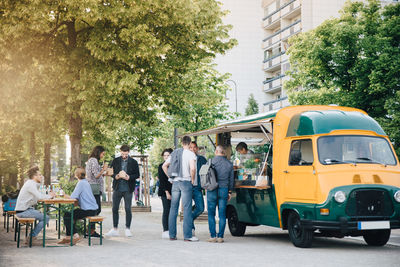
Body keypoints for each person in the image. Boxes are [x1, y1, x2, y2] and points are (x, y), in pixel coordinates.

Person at [162, 136, 198, 242]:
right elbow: (192, 168)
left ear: (182, 143)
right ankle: (187, 236)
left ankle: (172, 235)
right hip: (186, 181)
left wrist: (170, 178)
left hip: (175, 182)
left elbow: (164, 166)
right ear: (190, 143)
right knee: (186, 209)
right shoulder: (191, 154)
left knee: (173, 208)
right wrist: (192, 179)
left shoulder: (175, 153)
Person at [15, 166, 55, 245]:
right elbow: (39, 196)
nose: (41, 176)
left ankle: (31, 237)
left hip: (26, 209)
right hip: (23, 211)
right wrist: (50, 196)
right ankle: (31, 237)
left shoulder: (31, 183)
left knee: (43, 215)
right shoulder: (31, 184)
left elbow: (38, 196)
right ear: (34, 176)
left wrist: (48, 195)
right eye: (39, 175)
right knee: (45, 217)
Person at [106, 145, 139, 237]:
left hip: (128, 189)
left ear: (128, 152)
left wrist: (129, 177)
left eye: (125, 153)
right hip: (117, 188)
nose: (124, 155)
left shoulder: (133, 162)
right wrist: (116, 176)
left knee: (128, 209)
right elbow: (110, 172)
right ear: (120, 152)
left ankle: (128, 229)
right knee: (114, 208)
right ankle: (115, 228)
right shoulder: (115, 161)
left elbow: (137, 174)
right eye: (122, 153)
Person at [58, 167, 98, 244]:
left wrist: (63, 194)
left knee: (67, 215)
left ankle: (74, 235)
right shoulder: (85, 182)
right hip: (93, 209)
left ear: (76, 175)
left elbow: (73, 198)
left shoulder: (81, 183)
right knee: (70, 214)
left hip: (88, 210)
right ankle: (69, 237)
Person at [207, 145, 234, 243]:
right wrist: (230, 192)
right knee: (222, 214)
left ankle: (213, 236)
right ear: (224, 152)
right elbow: (231, 180)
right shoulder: (229, 164)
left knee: (211, 214)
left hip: (212, 189)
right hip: (224, 189)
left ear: (216, 152)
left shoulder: (210, 162)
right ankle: (220, 237)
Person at [86, 145, 107, 237]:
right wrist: (104, 169)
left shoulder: (91, 160)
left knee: (95, 209)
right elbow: (96, 175)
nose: (103, 155)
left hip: (94, 187)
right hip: (94, 188)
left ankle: (90, 230)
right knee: (96, 209)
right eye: (102, 153)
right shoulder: (93, 160)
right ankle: (90, 231)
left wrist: (102, 173)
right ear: (98, 152)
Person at [189, 141, 207, 236]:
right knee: (188, 208)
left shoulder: (202, 159)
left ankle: (189, 218)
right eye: (190, 147)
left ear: (197, 149)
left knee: (200, 208)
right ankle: (191, 229)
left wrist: (205, 186)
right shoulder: (185, 159)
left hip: (197, 187)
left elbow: (206, 172)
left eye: (194, 147)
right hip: (187, 187)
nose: (192, 149)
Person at [158, 148, 173, 239]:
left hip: (173, 190)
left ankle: (171, 229)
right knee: (166, 210)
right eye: (165, 156)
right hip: (164, 191)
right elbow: (162, 181)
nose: (166, 157)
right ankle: (165, 230)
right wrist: (167, 192)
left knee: (172, 211)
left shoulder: (173, 166)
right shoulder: (161, 166)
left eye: (168, 155)